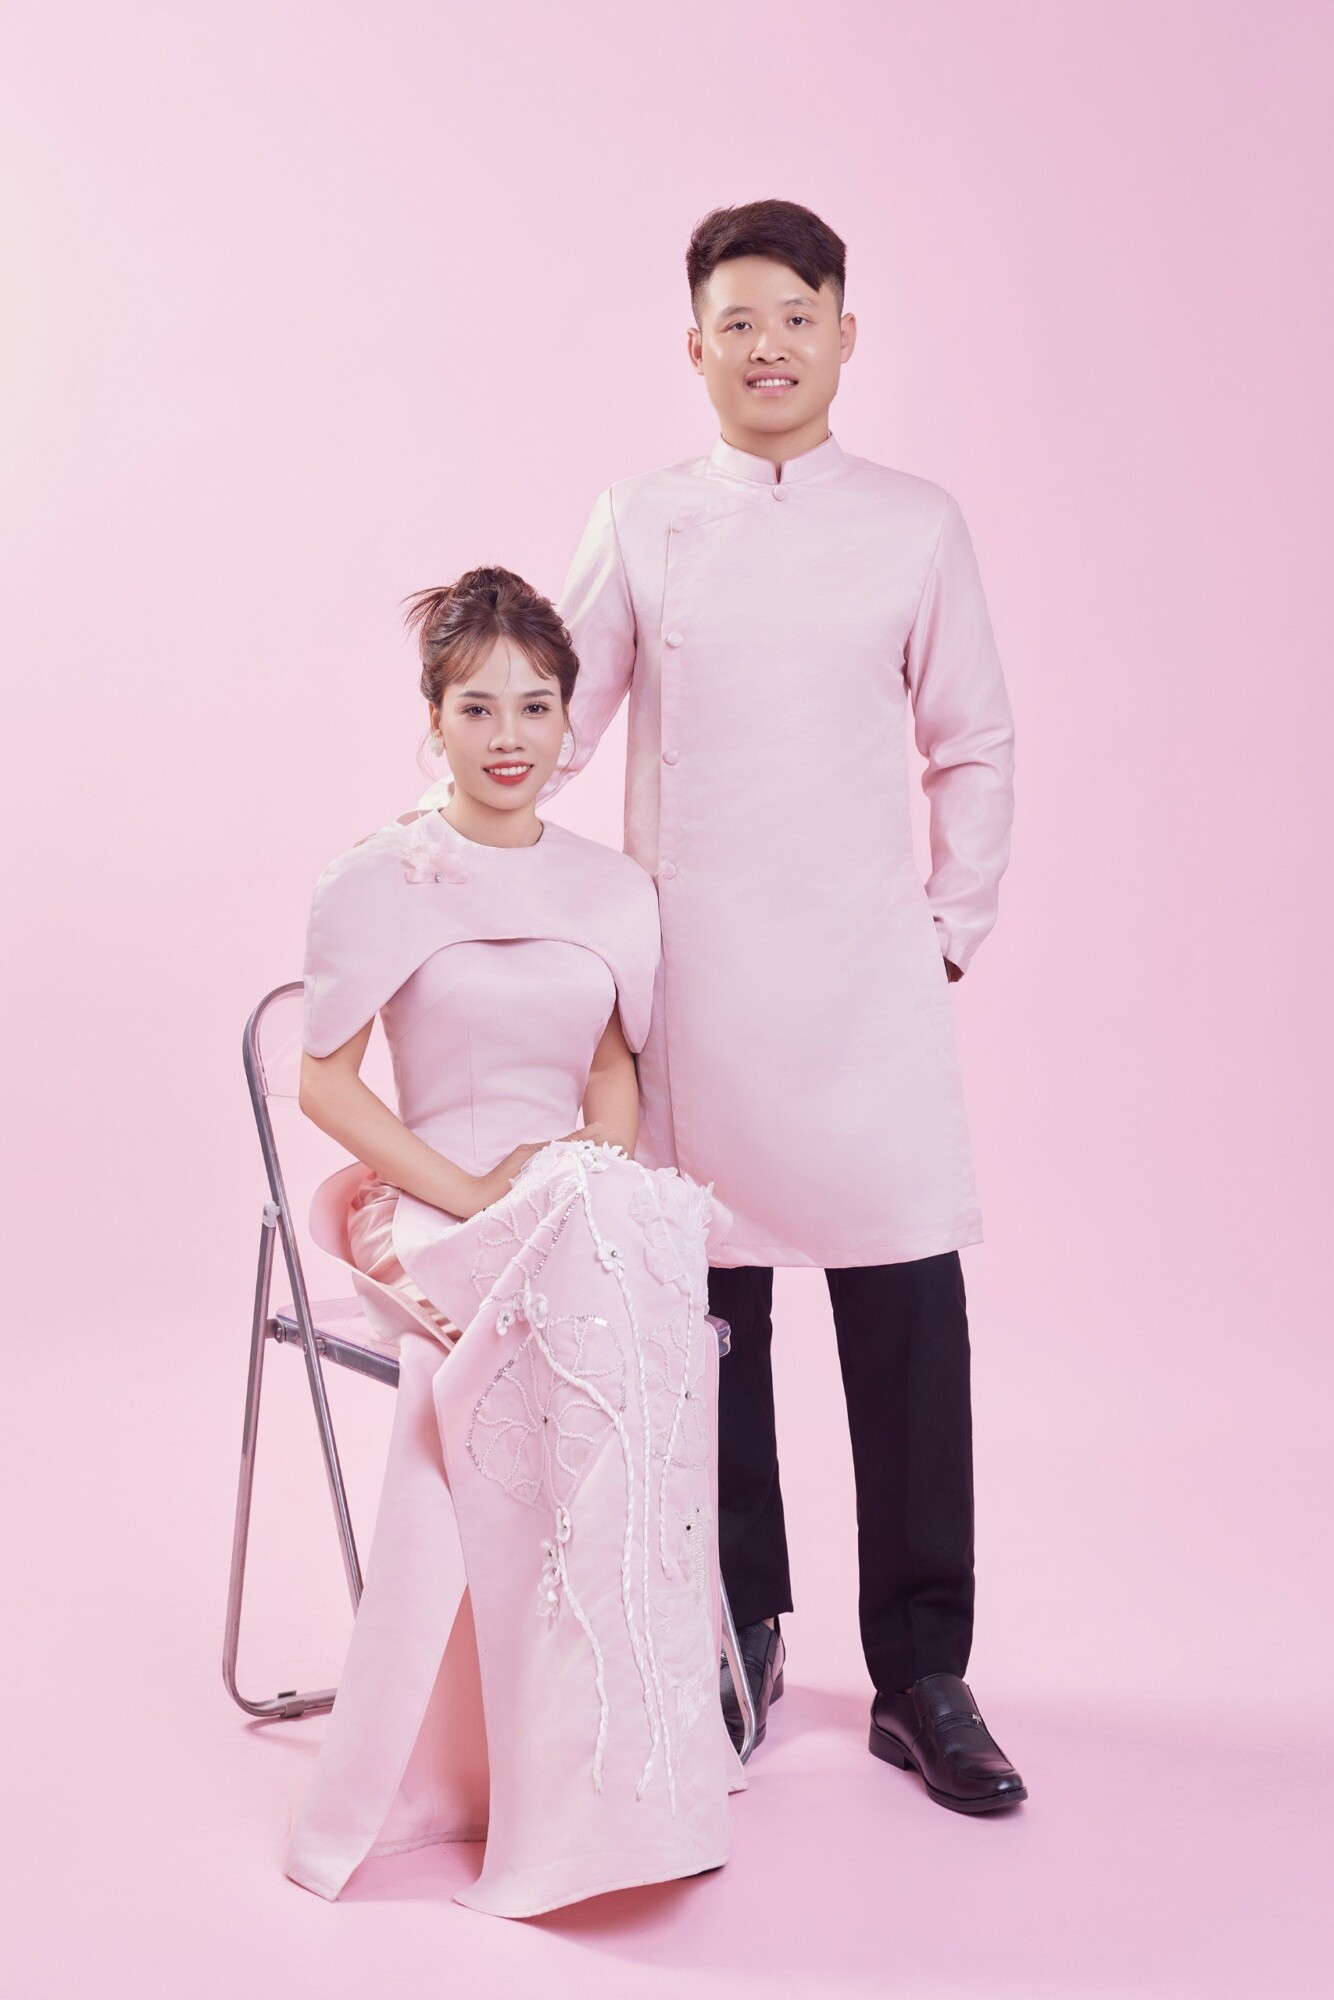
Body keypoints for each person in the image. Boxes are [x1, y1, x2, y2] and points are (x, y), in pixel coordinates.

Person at [548, 201, 1026, 1813]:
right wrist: (457, 853)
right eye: (737, 322)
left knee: (907, 1320)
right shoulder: (639, 518)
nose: (768, 347)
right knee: (715, 1324)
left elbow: (972, 739)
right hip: (694, 983)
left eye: (795, 317)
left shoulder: (913, 525)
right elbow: (553, 719)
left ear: (843, 336)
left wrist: (944, 933)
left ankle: (924, 1673)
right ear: (693, 347)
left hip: (864, 982)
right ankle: (733, 1633)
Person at [285, 566, 741, 1917]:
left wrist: (582, 1171)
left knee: (621, 1275)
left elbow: (611, 1068)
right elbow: (324, 1084)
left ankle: (629, 1770)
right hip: (432, 1193)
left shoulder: (610, 888)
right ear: (432, 716)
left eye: (534, 706)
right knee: (583, 1305)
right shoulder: (379, 876)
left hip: (570, 1193)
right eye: (476, 706)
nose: (507, 736)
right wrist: (472, 1189)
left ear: (568, 717)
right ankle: (544, 1779)